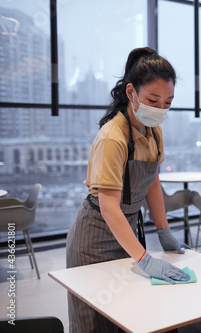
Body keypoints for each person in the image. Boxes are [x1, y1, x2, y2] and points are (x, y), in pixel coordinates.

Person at [66, 47, 190, 332]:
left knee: (129, 315)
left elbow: (152, 183)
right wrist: (145, 259)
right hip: (93, 240)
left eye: (168, 102)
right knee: (94, 322)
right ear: (131, 92)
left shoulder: (153, 130)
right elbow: (109, 207)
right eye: (152, 100)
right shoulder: (113, 137)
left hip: (126, 233)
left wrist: (163, 231)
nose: (160, 109)